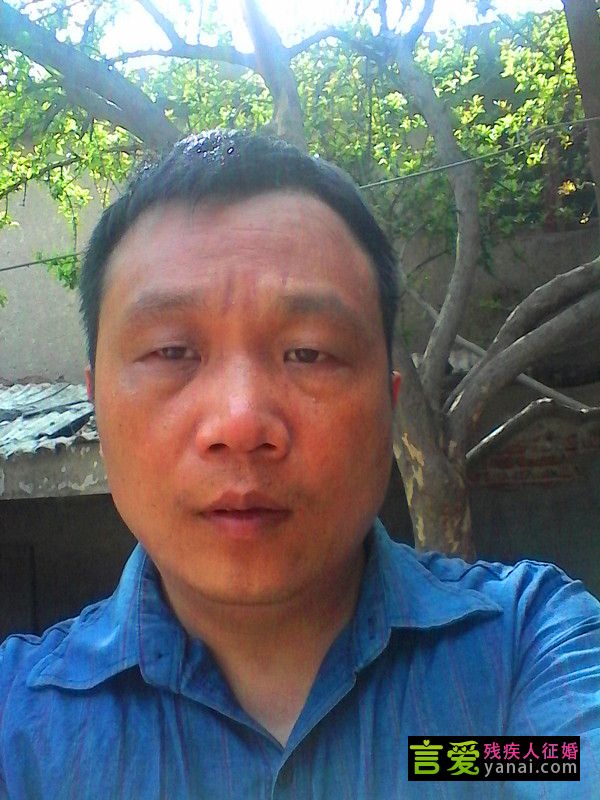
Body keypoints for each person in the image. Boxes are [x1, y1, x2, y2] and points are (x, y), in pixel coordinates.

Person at [0, 130, 598, 800]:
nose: (240, 423)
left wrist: (442, 765)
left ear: (388, 406)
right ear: (98, 404)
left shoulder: (524, 654)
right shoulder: (18, 730)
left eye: (309, 353)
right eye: (171, 352)